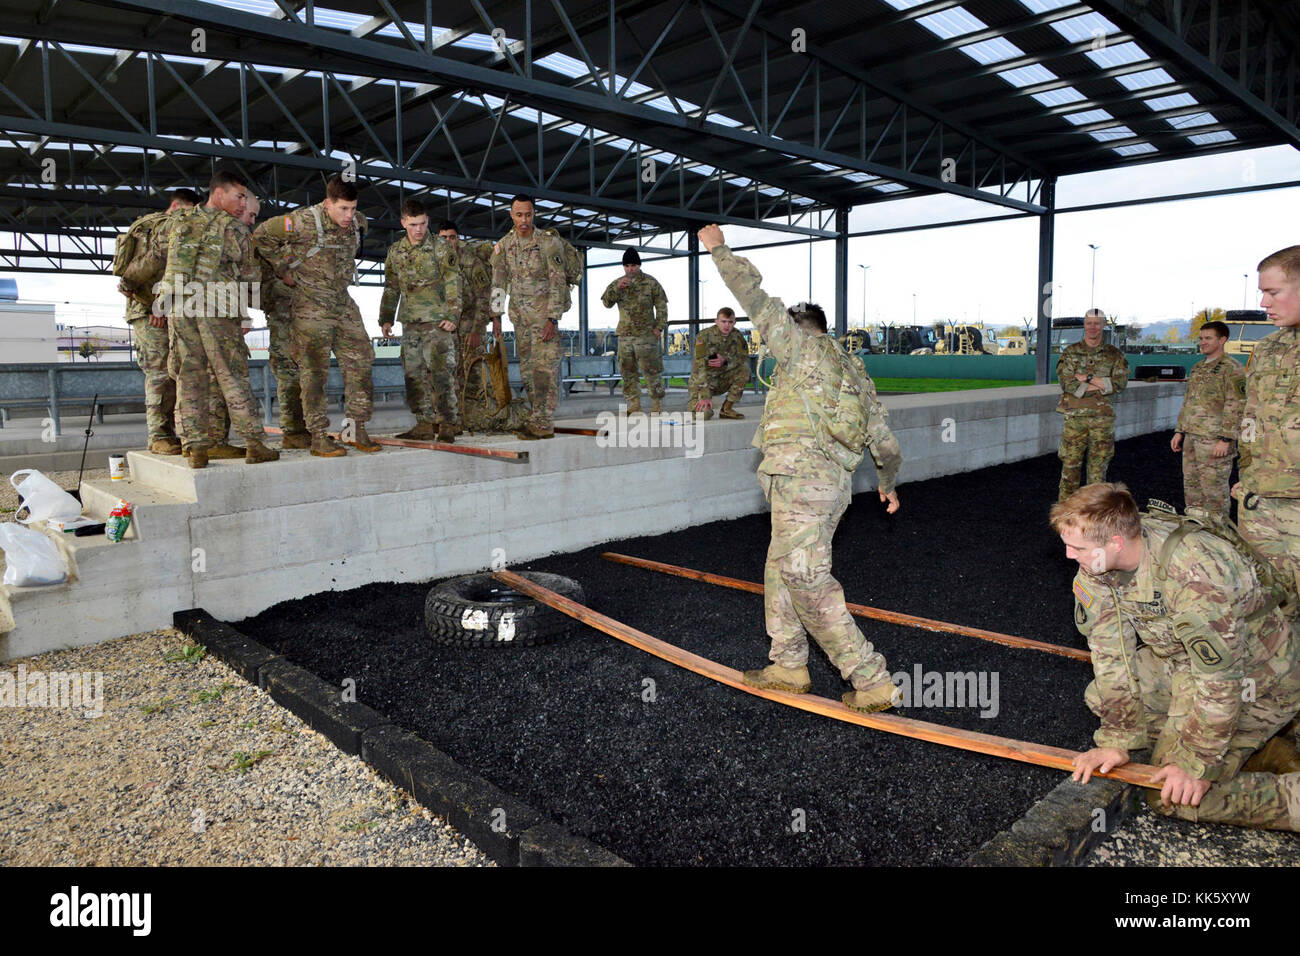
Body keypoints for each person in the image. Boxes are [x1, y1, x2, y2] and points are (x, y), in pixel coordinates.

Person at [699, 224, 903, 714]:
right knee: (780, 569)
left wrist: (718, 249)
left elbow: (752, 295)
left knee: (807, 578)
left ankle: (871, 678)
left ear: (795, 326)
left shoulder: (796, 348)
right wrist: (888, 485)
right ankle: (789, 663)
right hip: (830, 486)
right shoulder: (854, 369)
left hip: (802, 484)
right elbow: (886, 443)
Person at [1059, 483, 1300, 830]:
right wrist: (1118, 740)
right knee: (1100, 697)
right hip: (1189, 665)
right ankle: (1256, 749)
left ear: (1115, 542)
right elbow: (1112, 655)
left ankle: (1278, 786)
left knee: (1169, 795)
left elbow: (1221, 680)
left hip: (1260, 677)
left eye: (1076, 547)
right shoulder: (1099, 566)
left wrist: (1197, 763)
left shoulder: (1193, 573)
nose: (1069, 555)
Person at [147, 169, 278, 469]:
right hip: (218, 306)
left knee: (188, 376)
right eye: (239, 196)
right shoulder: (234, 229)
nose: (244, 204)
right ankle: (254, 444)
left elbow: (156, 257)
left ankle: (195, 449)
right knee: (231, 373)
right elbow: (249, 275)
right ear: (219, 193)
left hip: (181, 307)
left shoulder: (178, 222)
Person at [253, 176, 378, 458]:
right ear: (328, 203)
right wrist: (283, 269)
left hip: (342, 301)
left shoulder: (359, 222)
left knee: (361, 360)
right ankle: (318, 436)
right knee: (313, 371)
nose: (349, 215)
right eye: (343, 209)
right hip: (310, 302)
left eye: (353, 208)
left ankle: (355, 427)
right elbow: (261, 236)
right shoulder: (301, 222)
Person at [1233, 246, 1300, 595]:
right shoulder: (1267, 350)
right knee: (1269, 610)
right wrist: (1247, 478)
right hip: (1259, 507)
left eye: (1273, 293)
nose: (1264, 303)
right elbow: (1251, 421)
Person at [116, 187, 200, 455]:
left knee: (170, 371)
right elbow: (156, 263)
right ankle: (159, 436)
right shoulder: (167, 226)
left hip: (152, 307)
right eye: (188, 211)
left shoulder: (143, 225)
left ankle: (168, 433)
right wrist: (158, 304)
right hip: (150, 310)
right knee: (161, 373)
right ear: (176, 206)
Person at [379, 200, 462, 443]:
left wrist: (453, 315)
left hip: (437, 322)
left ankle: (447, 424)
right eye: (413, 224)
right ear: (403, 222)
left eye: (423, 224)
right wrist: (386, 318)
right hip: (410, 322)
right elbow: (392, 287)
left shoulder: (441, 248)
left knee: (441, 374)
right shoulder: (396, 251)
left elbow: (453, 283)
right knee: (413, 374)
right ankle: (424, 423)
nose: (419, 230)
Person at [437, 220, 529, 433]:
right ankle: (453, 420)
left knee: (472, 374)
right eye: (444, 238)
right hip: (446, 326)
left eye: (452, 237)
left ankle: (475, 417)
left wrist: (478, 329)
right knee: (448, 374)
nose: (448, 241)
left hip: (470, 324)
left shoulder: (469, 261)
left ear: (458, 238)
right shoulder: (435, 262)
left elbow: (483, 296)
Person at [489, 195, 569, 440]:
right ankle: (538, 419)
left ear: (534, 214)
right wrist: (496, 317)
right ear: (511, 215)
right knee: (528, 373)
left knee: (544, 372)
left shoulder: (547, 243)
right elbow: (498, 282)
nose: (524, 220)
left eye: (528, 214)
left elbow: (558, 282)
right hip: (521, 322)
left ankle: (543, 423)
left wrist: (552, 319)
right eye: (519, 214)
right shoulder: (504, 245)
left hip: (544, 320)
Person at [1171, 320, 1245, 517]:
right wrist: (1179, 431)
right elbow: (1188, 401)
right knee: (1192, 487)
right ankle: (1197, 534)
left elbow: (1236, 404)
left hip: (1214, 441)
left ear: (1222, 340)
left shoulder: (1232, 369)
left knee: (1214, 491)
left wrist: (1226, 439)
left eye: (1208, 338)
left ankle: (1218, 536)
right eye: (1201, 338)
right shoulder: (1197, 368)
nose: (1202, 342)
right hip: (1192, 437)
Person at [1055, 309, 1129, 501]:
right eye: (1089, 323)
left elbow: (1119, 384)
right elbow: (1067, 383)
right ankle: (1066, 513)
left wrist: (1087, 378)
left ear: (1103, 325)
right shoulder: (1071, 352)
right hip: (1075, 419)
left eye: (1097, 323)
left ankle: (1094, 514)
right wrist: (1103, 383)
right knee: (1070, 467)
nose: (1093, 327)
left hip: (1102, 420)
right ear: (1085, 325)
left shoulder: (1115, 355)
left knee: (1098, 470)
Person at [600, 249, 668, 414]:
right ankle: (634, 404)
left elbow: (661, 306)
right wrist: (617, 288)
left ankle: (657, 404)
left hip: (646, 336)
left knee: (651, 370)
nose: (630, 269)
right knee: (627, 371)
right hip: (625, 336)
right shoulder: (617, 283)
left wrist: (659, 327)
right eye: (627, 266)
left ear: (639, 265)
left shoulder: (651, 283)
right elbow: (606, 303)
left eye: (633, 265)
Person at [688, 307, 749, 420]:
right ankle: (694, 405)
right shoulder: (704, 336)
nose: (727, 325)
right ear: (716, 322)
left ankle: (726, 409)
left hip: (723, 379)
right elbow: (699, 366)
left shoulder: (737, 336)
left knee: (744, 369)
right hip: (705, 381)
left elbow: (743, 358)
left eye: (730, 322)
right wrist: (705, 396)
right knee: (704, 415)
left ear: (734, 322)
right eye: (723, 321)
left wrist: (725, 361)